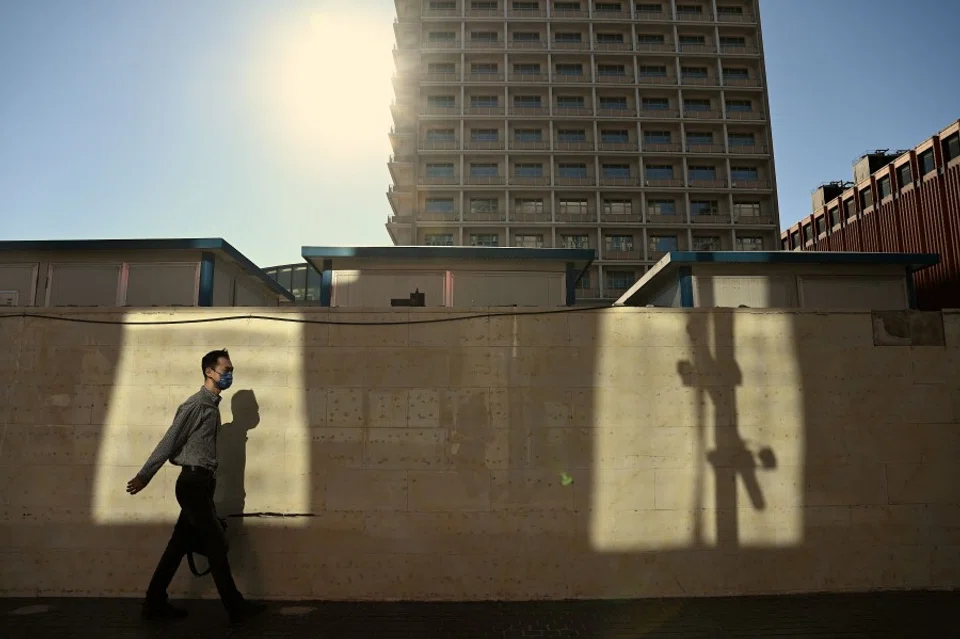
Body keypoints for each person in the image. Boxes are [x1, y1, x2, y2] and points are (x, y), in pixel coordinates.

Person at [126, 348, 266, 623]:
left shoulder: (212, 407)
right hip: (192, 484)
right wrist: (145, 474)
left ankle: (154, 602)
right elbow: (170, 441)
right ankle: (235, 607)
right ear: (209, 372)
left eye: (231, 371)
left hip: (200, 484)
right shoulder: (197, 405)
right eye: (226, 371)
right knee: (215, 545)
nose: (230, 375)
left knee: (177, 546)